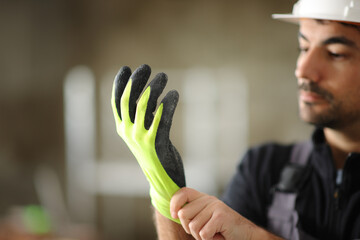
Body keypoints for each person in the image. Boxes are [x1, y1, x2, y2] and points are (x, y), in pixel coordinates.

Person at [111, 0, 360, 239]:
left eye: (335, 53)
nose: (303, 69)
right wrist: (166, 194)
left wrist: (253, 236)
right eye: (304, 48)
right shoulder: (263, 169)